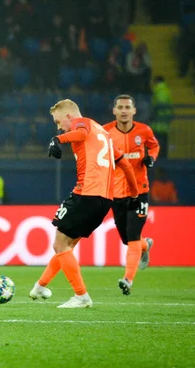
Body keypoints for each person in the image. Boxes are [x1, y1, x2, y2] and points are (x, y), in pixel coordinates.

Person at [29, 99, 139, 308]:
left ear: (69, 116)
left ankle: (81, 296)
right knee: (67, 246)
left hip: (87, 193)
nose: (59, 126)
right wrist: (133, 195)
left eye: (59, 122)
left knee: (60, 244)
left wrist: (57, 139)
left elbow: (80, 134)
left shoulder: (83, 123)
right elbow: (124, 163)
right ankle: (40, 286)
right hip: (104, 200)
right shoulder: (104, 134)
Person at [104, 94, 160, 295]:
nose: (124, 110)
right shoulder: (106, 132)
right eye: (120, 107)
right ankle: (146, 245)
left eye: (128, 107)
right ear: (114, 111)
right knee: (128, 240)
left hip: (140, 191)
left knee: (133, 236)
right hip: (116, 193)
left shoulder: (144, 130)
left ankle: (127, 279)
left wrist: (151, 158)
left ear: (134, 111)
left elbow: (154, 145)